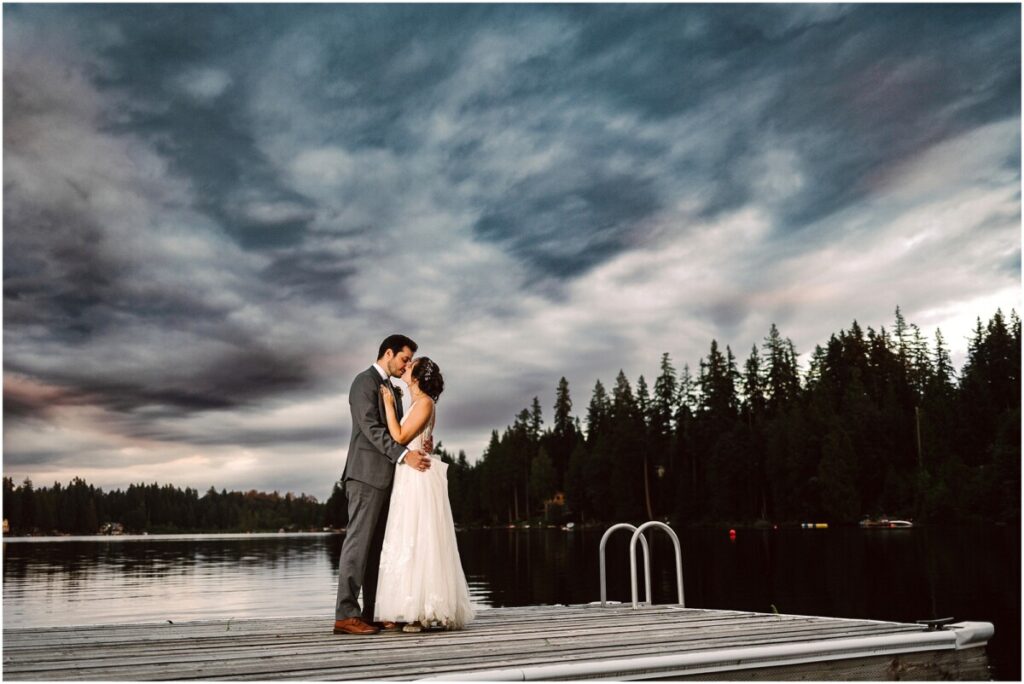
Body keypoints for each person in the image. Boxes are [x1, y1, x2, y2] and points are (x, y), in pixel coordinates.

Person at [333, 335, 433, 636]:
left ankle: (371, 613)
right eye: (404, 359)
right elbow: (371, 428)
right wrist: (404, 455)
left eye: (409, 361)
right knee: (358, 544)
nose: (406, 366)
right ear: (388, 353)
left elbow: (398, 430)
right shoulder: (363, 382)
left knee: (378, 548)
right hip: (365, 476)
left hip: (389, 478)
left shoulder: (391, 388)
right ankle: (345, 615)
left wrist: (418, 444)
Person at [375, 357, 475, 632]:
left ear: (417, 377)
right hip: (409, 474)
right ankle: (408, 608)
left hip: (417, 477)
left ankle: (420, 613)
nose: (405, 367)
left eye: (410, 366)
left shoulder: (425, 403)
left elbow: (399, 437)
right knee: (408, 538)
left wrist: (388, 405)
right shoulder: (418, 403)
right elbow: (419, 438)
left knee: (419, 537)